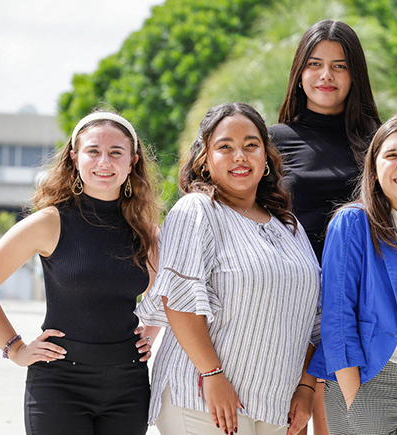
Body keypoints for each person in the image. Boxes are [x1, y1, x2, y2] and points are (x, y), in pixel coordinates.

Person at [0, 110, 163, 434]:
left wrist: (150, 332)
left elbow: (168, 290)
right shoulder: (49, 222)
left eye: (116, 153)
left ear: (133, 161)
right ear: (74, 157)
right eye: (93, 151)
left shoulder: (146, 233)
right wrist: (15, 349)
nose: (104, 162)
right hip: (58, 384)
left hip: (129, 383)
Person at [135, 103, 320, 435]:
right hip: (203, 397)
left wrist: (305, 387)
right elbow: (178, 300)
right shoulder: (196, 210)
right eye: (225, 147)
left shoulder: (288, 226)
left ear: (266, 157)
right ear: (204, 159)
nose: (240, 156)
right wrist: (212, 374)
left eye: (251, 145)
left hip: (278, 405)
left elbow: (313, 317)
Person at [308, 114, 397, 435]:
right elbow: (337, 315)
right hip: (368, 383)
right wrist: (352, 396)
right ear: (374, 166)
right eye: (392, 156)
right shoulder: (352, 223)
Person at [269, 19, 382, 434]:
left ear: (356, 74)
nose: (326, 76)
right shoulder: (271, 140)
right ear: (299, 73)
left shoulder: (379, 143)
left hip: (355, 307)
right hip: (290, 306)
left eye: (339, 65)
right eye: (315, 64)